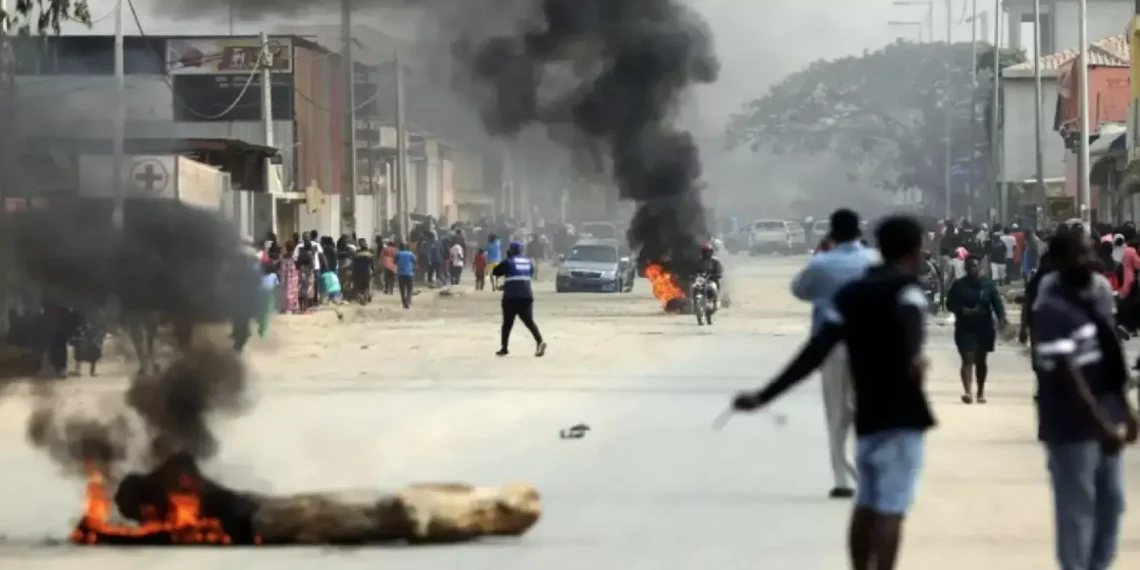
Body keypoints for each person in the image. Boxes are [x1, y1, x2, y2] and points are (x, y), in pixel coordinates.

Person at [733, 215, 935, 570]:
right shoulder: (908, 293)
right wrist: (913, 365)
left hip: (870, 422)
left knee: (866, 506)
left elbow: (815, 351)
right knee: (891, 511)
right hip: (901, 417)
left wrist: (764, 396)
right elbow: (910, 343)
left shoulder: (850, 296)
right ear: (913, 251)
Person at [1032, 230, 1138, 570]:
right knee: (1077, 508)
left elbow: (1109, 355)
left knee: (1112, 503)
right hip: (1071, 425)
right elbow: (1067, 374)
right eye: (1079, 255)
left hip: (1105, 413)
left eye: (1089, 253)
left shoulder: (1097, 295)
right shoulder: (1051, 307)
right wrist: (1101, 423)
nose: (1088, 260)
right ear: (1060, 262)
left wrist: (1126, 408)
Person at [789, 208, 880, 499]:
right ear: (859, 232)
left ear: (833, 233)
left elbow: (800, 290)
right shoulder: (874, 261)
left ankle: (842, 479)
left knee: (836, 412)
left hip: (831, 345)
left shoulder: (821, 263)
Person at [946, 255, 1006, 404]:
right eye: (969, 265)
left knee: (981, 361)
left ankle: (980, 391)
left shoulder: (988, 284)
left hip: (984, 326)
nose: (972, 268)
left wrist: (1002, 318)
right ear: (965, 267)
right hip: (964, 326)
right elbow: (949, 304)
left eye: (975, 265)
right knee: (967, 358)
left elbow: (997, 302)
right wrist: (961, 309)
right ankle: (967, 392)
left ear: (979, 267)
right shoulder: (958, 285)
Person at [491, 241, 547, 357]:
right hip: (526, 296)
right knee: (529, 322)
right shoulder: (528, 262)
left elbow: (496, 272)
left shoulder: (509, 262)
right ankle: (539, 341)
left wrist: (504, 260)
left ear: (511, 250)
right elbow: (523, 277)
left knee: (507, 324)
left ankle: (504, 348)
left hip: (511, 298)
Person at [696, 242, 724, 309]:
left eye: (708, 252)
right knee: (694, 287)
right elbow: (695, 270)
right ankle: (693, 303)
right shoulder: (699, 261)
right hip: (701, 280)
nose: (707, 253)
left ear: (711, 252)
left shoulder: (715, 261)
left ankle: (715, 302)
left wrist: (717, 275)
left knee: (713, 288)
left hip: (711, 280)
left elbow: (719, 270)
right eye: (705, 252)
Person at [395, 242, 416, 309]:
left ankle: (404, 302)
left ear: (399, 247)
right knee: (409, 289)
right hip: (409, 273)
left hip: (401, 274)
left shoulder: (398, 254)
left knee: (402, 289)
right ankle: (408, 301)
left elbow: (394, 262)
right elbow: (415, 261)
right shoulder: (410, 254)